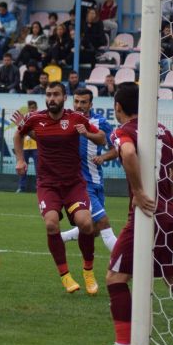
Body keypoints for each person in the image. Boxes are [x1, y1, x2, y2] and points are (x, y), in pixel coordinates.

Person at [92, 83, 173, 345]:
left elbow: (129, 153)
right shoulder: (161, 130)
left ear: (118, 107)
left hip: (145, 215)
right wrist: (164, 191)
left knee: (115, 278)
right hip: (169, 213)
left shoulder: (123, 132)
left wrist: (139, 191)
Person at [14, 82, 101, 294]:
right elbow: (18, 134)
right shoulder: (36, 119)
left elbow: (102, 138)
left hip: (73, 184)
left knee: (86, 224)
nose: (52, 98)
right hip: (48, 184)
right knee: (51, 225)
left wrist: (87, 134)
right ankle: (65, 276)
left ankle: (88, 271)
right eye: (49, 94)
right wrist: (20, 159)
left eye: (56, 95)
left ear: (64, 97)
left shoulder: (76, 118)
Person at [60, 88, 118, 255]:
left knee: (95, 229)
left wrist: (103, 157)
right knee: (104, 223)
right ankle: (126, 265)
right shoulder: (65, 120)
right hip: (80, 184)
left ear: (91, 104)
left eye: (83, 102)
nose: (79, 105)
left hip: (97, 181)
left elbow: (115, 149)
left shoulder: (100, 123)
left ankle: (61, 238)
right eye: (76, 101)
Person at [14, 101, 38, 193]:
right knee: (22, 168)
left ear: (36, 108)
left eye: (33, 107)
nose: (31, 109)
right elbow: (19, 133)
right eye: (30, 107)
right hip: (25, 147)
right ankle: (21, 187)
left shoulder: (38, 118)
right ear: (28, 108)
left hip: (36, 146)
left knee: (38, 169)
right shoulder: (24, 119)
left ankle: (39, 187)